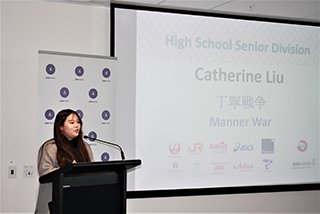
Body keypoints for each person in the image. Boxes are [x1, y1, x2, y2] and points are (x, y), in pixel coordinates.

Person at [35, 109, 94, 213]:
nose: (77, 126)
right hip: (55, 202)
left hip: (80, 200)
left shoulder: (85, 147)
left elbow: (92, 169)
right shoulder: (50, 147)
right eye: (72, 122)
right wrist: (68, 169)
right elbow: (44, 173)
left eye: (78, 122)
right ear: (61, 127)